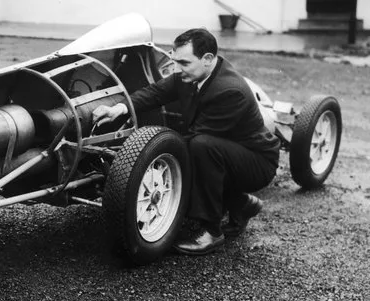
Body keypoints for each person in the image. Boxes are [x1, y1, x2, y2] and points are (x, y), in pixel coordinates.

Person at [92, 28, 280, 255]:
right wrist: (119, 108)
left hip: (256, 162)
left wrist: (144, 154)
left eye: (184, 63)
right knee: (199, 149)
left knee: (199, 147)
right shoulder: (192, 73)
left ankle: (212, 231)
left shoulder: (230, 91)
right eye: (174, 61)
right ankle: (241, 204)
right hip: (230, 153)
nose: (177, 69)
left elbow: (194, 138)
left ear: (208, 59)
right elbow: (155, 93)